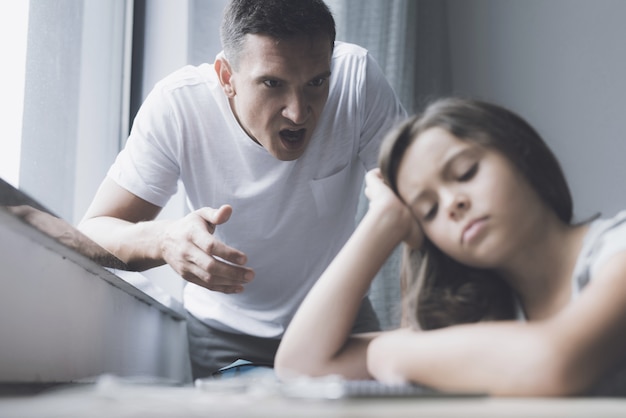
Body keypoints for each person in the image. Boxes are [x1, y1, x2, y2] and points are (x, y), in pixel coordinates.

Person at [78, 0, 406, 379]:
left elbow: (415, 200)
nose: (298, 112)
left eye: (316, 82)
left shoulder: (356, 78)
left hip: (341, 321)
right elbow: (93, 231)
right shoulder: (179, 106)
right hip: (225, 335)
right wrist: (164, 240)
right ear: (226, 77)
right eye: (273, 83)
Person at [275, 97, 626, 396]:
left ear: (521, 155)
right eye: (428, 210)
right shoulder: (487, 314)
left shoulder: (617, 248)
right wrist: (384, 221)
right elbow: (299, 367)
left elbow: (555, 363)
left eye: (465, 172)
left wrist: (388, 352)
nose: (451, 204)